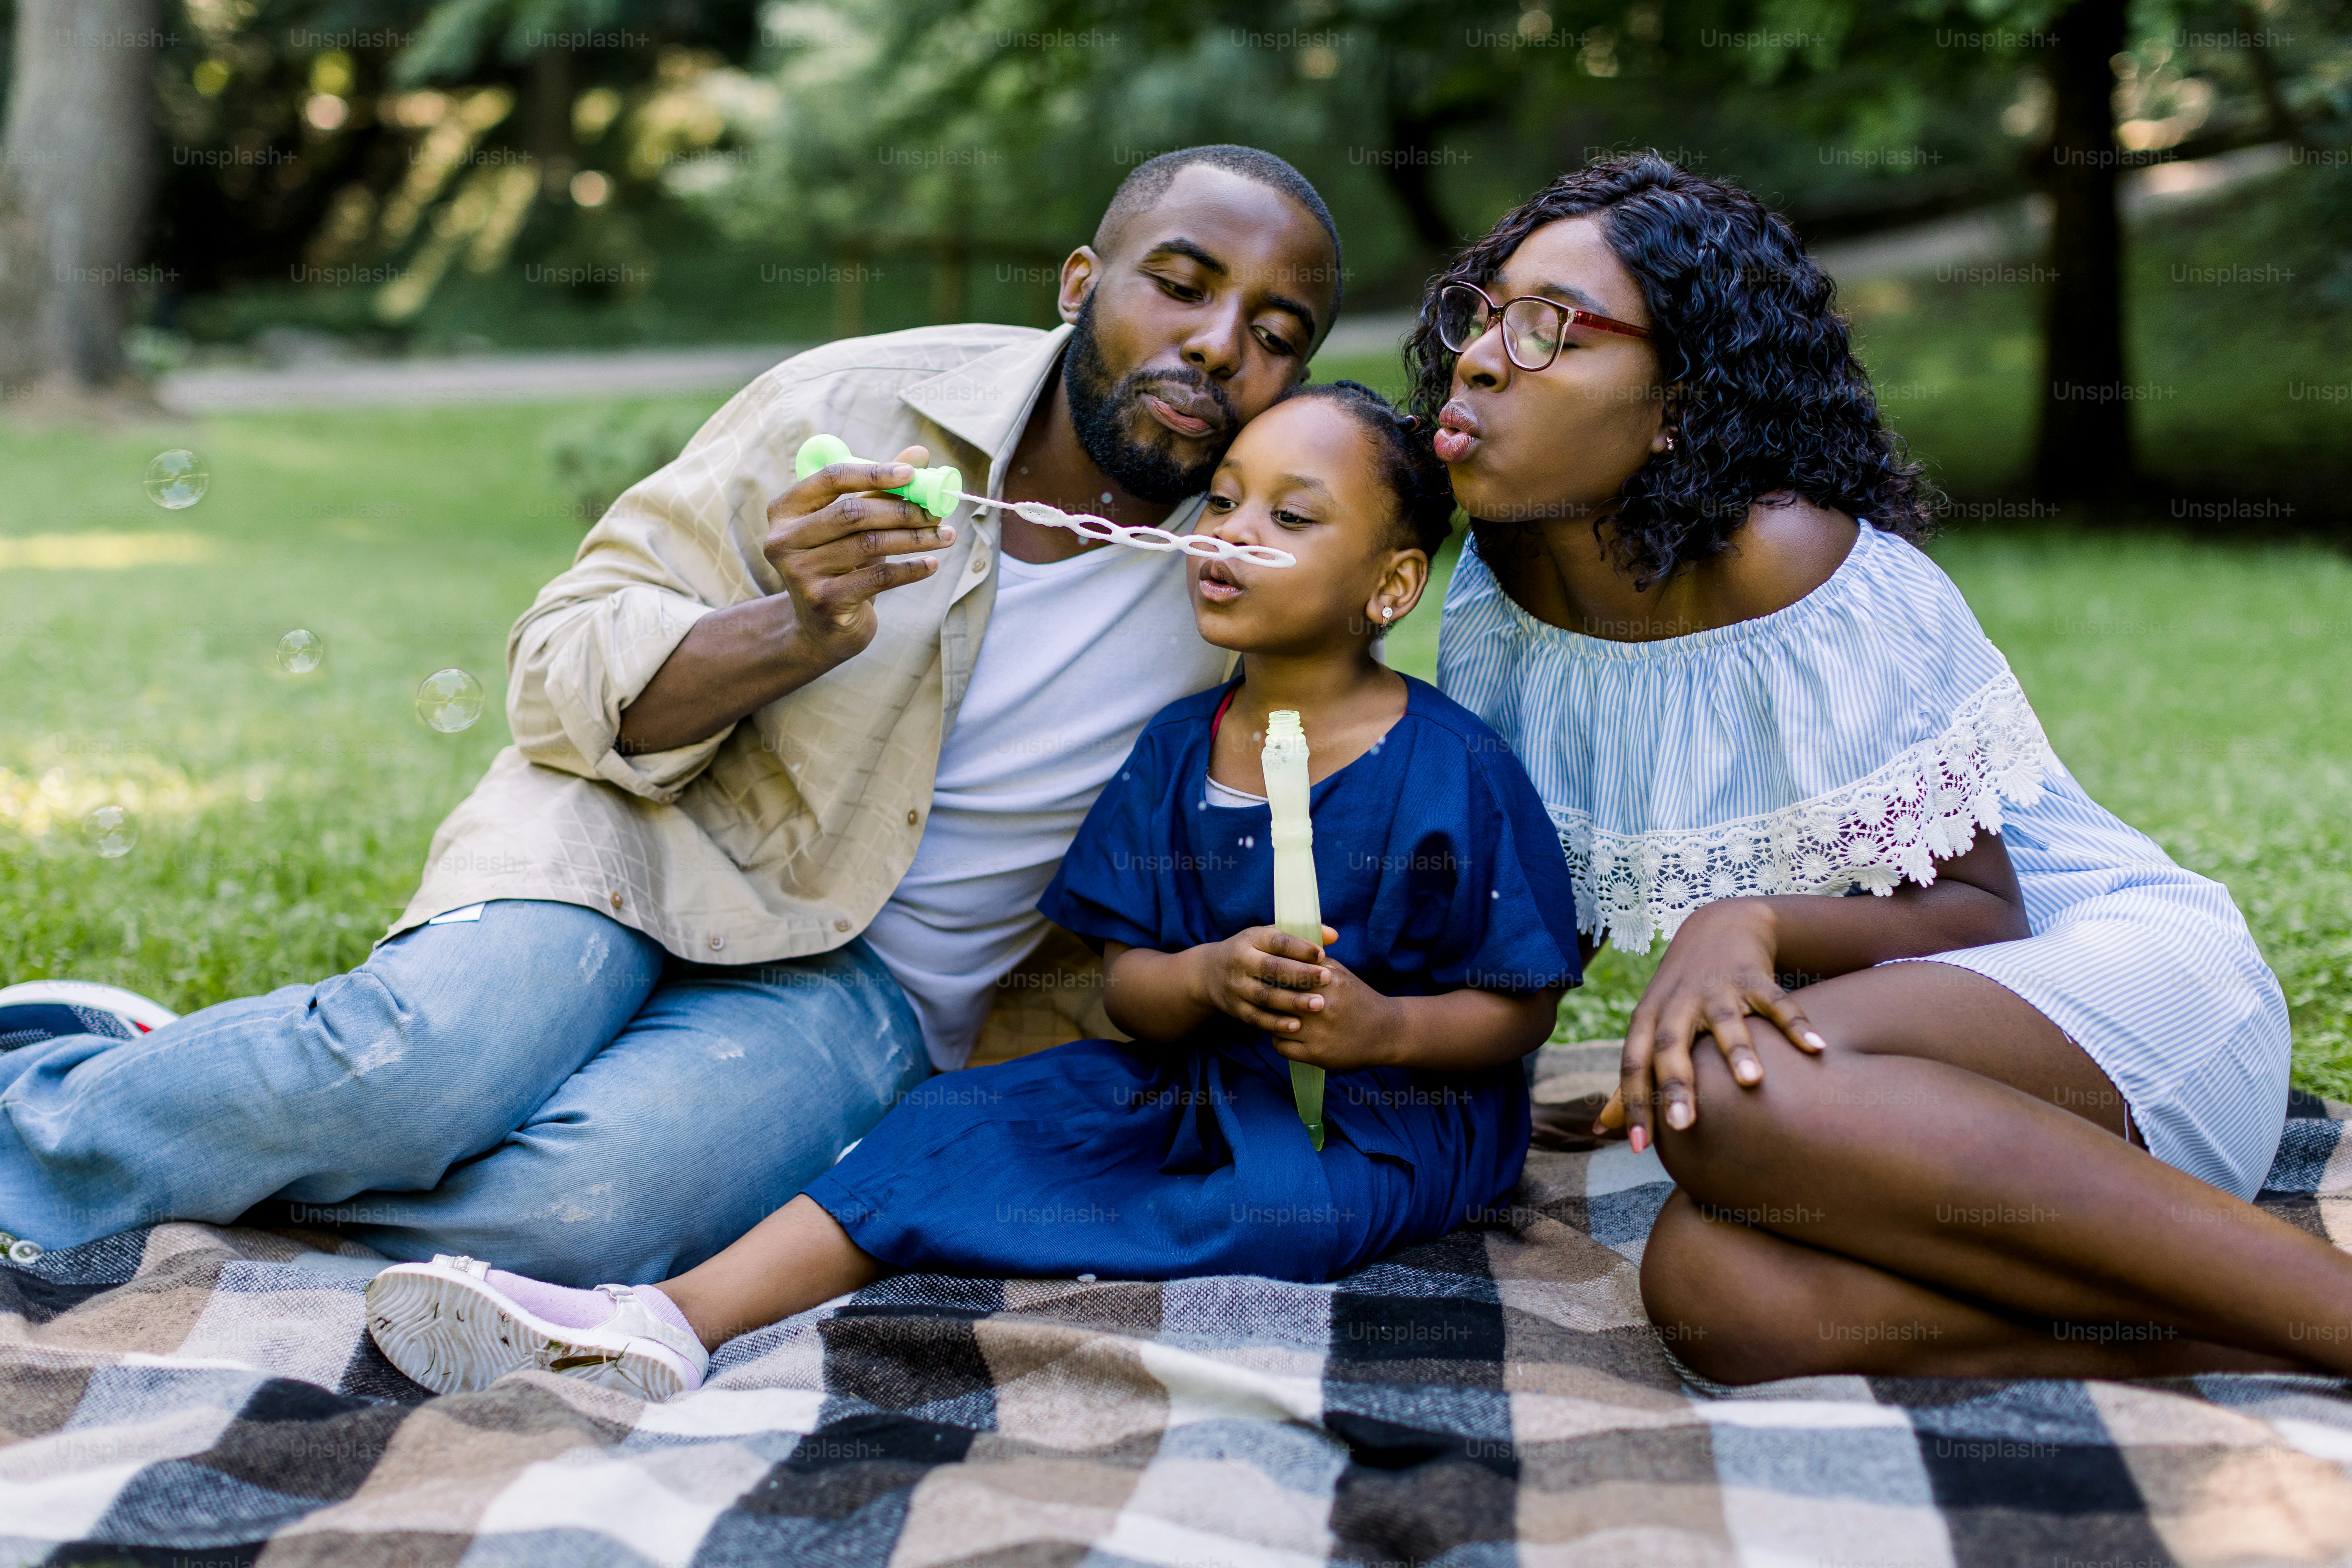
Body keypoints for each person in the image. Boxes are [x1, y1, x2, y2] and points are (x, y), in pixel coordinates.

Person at [0, 147, 1344, 1285]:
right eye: (1177, 286)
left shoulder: (1269, 575)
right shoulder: (859, 406)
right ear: (1078, 285)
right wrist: (795, 626)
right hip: (639, 828)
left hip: (869, 983)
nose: (1218, 344)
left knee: (587, 1208)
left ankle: (192, 1099)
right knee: (414, 1079)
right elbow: (553, 665)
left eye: (1276, 336)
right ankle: (72, 1107)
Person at [359, 382, 1584, 1399]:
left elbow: (1519, 1003)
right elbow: (1132, 993)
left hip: (1385, 1111)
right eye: (1221, 500)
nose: (1226, 531)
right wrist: (1205, 976)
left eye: (1289, 517)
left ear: (1390, 586)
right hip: (1202, 1078)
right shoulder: (1173, 747)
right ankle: (669, 1319)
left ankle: (1014, 1219)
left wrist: (1383, 1028)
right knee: (955, 1121)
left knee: (1291, 1216)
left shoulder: (1449, 765)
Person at [1418, 153, 2342, 1383]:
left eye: (1549, 330)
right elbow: (1541, 882)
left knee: (1716, 1089)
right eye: (1483, 315)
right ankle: (2232, 1334)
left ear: (1677, 401)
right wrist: (1474, 1081)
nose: (1483, 356)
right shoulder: (1497, 590)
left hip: (2108, 1004)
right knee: (1712, 1297)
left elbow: (1978, 908)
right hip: (1895, 1119)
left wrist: (1740, 919)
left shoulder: (1793, 565)